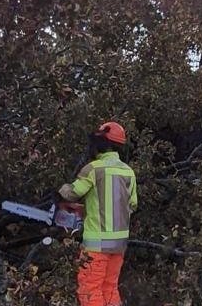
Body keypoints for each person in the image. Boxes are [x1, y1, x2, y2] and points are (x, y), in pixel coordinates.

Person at [59, 122, 138, 306]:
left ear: (101, 143)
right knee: (110, 289)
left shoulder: (94, 169)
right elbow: (132, 205)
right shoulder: (128, 172)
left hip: (96, 245)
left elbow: (72, 193)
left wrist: (60, 191)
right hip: (119, 244)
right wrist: (90, 209)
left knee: (90, 289)